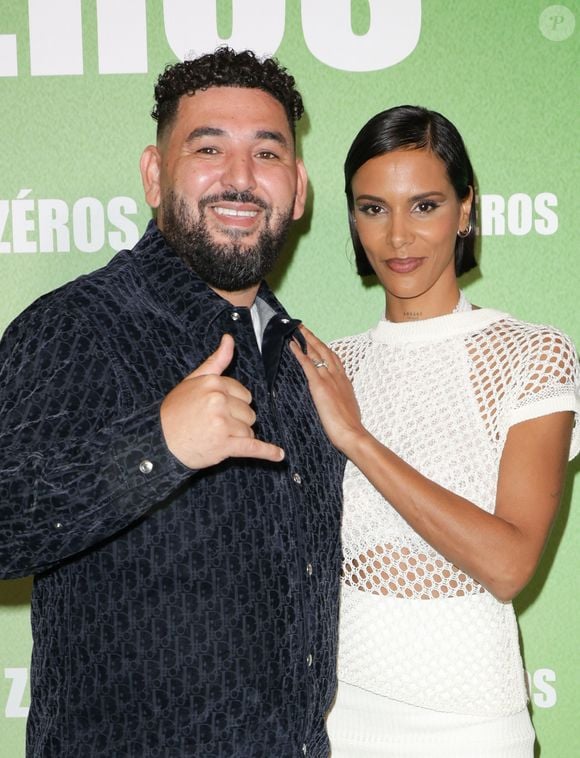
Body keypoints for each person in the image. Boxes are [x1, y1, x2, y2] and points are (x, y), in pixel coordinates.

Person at [0, 48, 345, 757]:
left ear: (299, 189)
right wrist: (156, 447)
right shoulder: (78, 325)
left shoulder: (302, 360)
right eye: (209, 147)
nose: (241, 179)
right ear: (156, 176)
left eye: (268, 153)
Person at [291, 105, 580, 757]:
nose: (397, 237)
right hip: (339, 720)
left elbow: (508, 565)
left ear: (465, 209)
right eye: (373, 208)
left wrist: (357, 439)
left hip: (473, 724)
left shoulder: (532, 354)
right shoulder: (331, 368)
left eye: (424, 205)